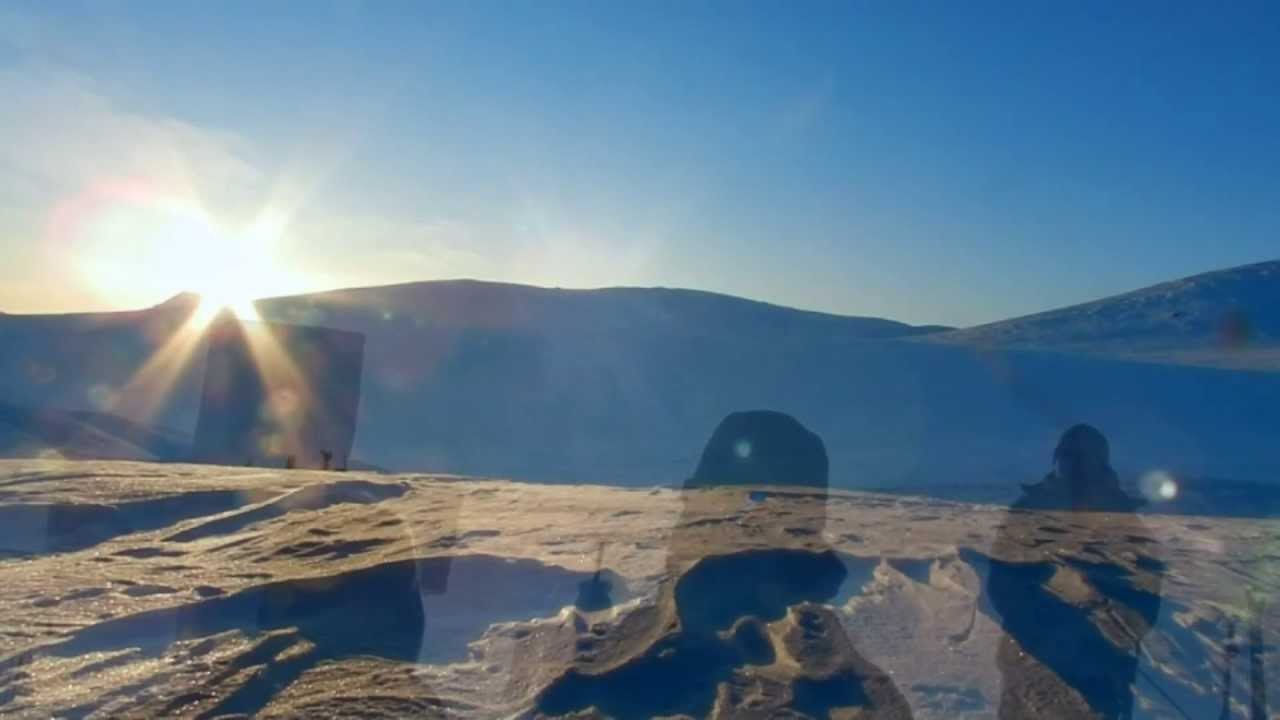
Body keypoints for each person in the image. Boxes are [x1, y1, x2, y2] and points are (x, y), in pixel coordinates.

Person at [986, 424, 1163, 719]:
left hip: (1098, 679)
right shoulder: (1027, 513)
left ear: (1100, 464)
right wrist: (1053, 608)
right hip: (1030, 665)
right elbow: (1004, 583)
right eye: (1068, 458)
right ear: (1057, 461)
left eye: (1085, 459)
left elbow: (1143, 601)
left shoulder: (1124, 523)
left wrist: (1096, 613)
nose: (1076, 467)